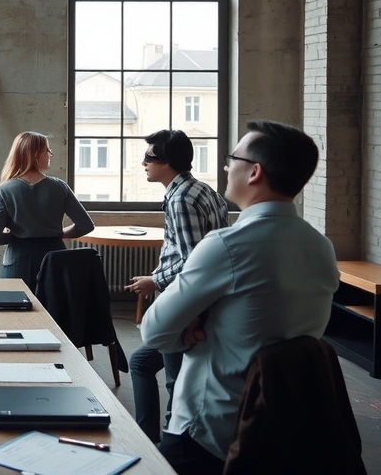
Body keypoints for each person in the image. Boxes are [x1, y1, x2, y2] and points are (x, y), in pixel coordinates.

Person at [141, 120, 340, 475]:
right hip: (283, 427)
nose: (225, 166)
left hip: (209, 431)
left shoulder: (226, 246)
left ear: (255, 172)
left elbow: (154, 332)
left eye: (232, 158)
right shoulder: (321, 247)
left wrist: (192, 320)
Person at [125, 129, 230, 443]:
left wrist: (154, 280)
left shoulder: (181, 199)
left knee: (176, 380)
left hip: (188, 303)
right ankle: (150, 440)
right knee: (143, 363)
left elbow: (194, 263)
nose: (144, 163)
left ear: (166, 163)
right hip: (204, 299)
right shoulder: (203, 190)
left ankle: (173, 446)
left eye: (149, 157)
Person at [0, 131, 94, 287]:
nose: (50, 154)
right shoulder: (59, 186)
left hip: (17, 261)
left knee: (17, 309)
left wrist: (16, 235)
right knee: (54, 309)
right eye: (47, 150)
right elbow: (86, 225)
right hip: (55, 258)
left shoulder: (5, 189)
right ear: (35, 154)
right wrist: (58, 234)